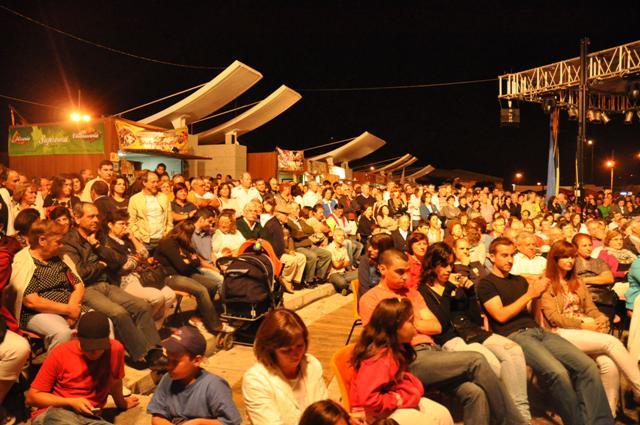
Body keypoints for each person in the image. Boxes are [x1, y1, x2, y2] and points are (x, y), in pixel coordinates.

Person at [359, 249, 527, 425]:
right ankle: (515, 423)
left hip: (433, 351)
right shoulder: (370, 299)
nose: (406, 277)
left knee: (475, 392)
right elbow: (380, 338)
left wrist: (406, 323)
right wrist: (417, 323)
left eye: (407, 271)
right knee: (477, 360)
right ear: (382, 269)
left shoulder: (411, 293)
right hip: (407, 358)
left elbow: (436, 326)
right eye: (400, 272)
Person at [477, 237, 614, 425]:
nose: (509, 260)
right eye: (504, 255)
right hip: (515, 335)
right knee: (557, 372)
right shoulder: (486, 283)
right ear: (492, 257)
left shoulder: (519, 280)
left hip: (538, 331)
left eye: (512, 255)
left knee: (587, 366)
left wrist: (538, 297)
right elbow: (500, 315)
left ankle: (602, 422)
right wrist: (530, 294)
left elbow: (531, 311)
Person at [419, 243, 531, 422]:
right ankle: (510, 418)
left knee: (513, 351)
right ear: (432, 265)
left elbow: (475, 319)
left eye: (451, 264)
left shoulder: (455, 285)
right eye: (444, 265)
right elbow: (442, 322)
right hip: (451, 338)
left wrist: (470, 293)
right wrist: (448, 291)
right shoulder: (424, 291)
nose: (449, 269)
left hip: (473, 332)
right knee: (493, 364)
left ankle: (521, 414)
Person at [540, 240, 640, 415]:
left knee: (609, 364)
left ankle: (607, 415)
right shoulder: (546, 284)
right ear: (555, 259)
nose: (570, 261)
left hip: (584, 329)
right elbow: (554, 318)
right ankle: (638, 388)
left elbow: (590, 308)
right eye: (565, 257)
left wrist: (600, 317)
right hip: (560, 333)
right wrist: (582, 325)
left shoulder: (577, 281)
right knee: (611, 342)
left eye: (572, 257)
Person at [62, 202, 166, 370]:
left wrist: (97, 246)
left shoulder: (100, 235)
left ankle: (155, 353)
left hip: (107, 283)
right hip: (86, 288)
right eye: (91, 216)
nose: (96, 220)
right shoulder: (69, 242)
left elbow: (119, 259)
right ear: (77, 218)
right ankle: (142, 355)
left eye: (97, 216)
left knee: (142, 306)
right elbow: (80, 273)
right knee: (119, 313)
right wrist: (102, 264)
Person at [350, 298, 453, 425]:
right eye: (410, 321)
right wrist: (400, 398)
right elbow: (369, 400)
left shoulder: (398, 349)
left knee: (442, 414)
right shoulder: (379, 358)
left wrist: (407, 393)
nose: (415, 326)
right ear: (395, 327)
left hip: (393, 405)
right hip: (373, 416)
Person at [25, 311, 139, 425]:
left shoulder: (115, 349)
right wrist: (69, 402)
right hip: (57, 411)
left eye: (99, 347)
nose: (95, 352)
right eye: (89, 347)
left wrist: (122, 403)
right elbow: (32, 397)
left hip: (90, 416)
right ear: (76, 336)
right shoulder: (61, 353)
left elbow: (115, 381)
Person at [242, 309, 328, 425]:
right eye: (286, 350)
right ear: (270, 350)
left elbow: (323, 413)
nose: (296, 354)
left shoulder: (311, 365)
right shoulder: (256, 380)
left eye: (300, 346)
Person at [14, 219, 89, 351]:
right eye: (58, 242)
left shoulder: (59, 258)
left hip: (72, 308)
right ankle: (58, 364)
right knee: (62, 333)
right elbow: (31, 301)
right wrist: (68, 310)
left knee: (103, 324)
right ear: (42, 240)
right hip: (37, 314)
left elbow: (78, 285)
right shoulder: (25, 262)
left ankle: (95, 363)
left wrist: (72, 310)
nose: (62, 246)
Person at [147, 325, 242, 425]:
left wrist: (199, 423)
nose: (169, 366)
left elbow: (232, 422)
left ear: (196, 360)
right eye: (168, 359)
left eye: (175, 361)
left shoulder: (214, 386)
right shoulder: (167, 379)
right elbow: (157, 416)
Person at [101, 209, 176, 329]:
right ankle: (142, 327)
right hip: (124, 281)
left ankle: (153, 327)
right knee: (157, 297)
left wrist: (132, 238)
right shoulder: (107, 243)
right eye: (121, 224)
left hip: (143, 277)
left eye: (126, 223)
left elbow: (145, 254)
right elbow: (123, 268)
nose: (125, 227)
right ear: (110, 225)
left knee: (170, 295)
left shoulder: (127, 239)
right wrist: (136, 259)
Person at [155, 220, 232, 334]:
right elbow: (182, 267)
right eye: (189, 235)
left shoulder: (182, 243)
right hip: (170, 277)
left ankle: (197, 317)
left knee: (212, 285)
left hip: (185, 273)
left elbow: (195, 260)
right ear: (183, 234)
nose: (190, 238)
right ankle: (216, 325)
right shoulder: (168, 244)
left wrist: (190, 261)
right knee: (201, 290)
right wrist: (191, 261)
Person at [262, 202, 306, 292]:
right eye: (285, 214)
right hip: (273, 254)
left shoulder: (281, 223)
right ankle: (285, 280)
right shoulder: (273, 225)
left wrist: (288, 251)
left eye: (287, 214)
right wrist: (287, 252)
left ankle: (294, 281)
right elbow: (275, 247)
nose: (287, 216)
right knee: (292, 260)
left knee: (301, 258)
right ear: (277, 214)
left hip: (282, 251)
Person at [128, 171, 173, 252]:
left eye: (157, 182)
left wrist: (167, 233)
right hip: (145, 241)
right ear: (144, 183)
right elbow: (131, 221)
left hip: (162, 239)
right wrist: (139, 237)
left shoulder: (163, 197)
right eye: (153, 182)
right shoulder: (135, 199)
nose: (156, 184)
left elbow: (169, 220)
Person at [287, 203, 331, 285]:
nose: (298, 211)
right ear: (290, 210)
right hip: (299, 246)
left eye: (298, 209)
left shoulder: (300, 221)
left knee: (327, 254)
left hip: (309, 245)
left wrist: (302, 231)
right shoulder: (288, 222)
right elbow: (295, 235)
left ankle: (318, 276)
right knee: (312, 256)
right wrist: (304, 232)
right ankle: (308, 280)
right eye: (296, 209)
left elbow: (311, 230)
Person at [357, 233, 394, 299]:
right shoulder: (365, 260)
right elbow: (364, 288)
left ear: (384, 249)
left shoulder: (392, 261)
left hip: (389, 297)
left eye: (374, 247)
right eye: (370, 245)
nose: (369, 249)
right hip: (370, 298)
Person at [326, 228, 358, 294]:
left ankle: (347, 289)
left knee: (360, 274)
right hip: (333, 274)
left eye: (343, 236)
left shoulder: (344, 247)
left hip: (343, 273)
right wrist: (342, 262)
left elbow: (347, 263)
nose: (342, 237)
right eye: (339, 235)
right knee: (342, 283)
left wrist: (340, 262)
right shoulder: (330, 248)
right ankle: (350, 287)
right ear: (334, 237)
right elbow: (336, 265)